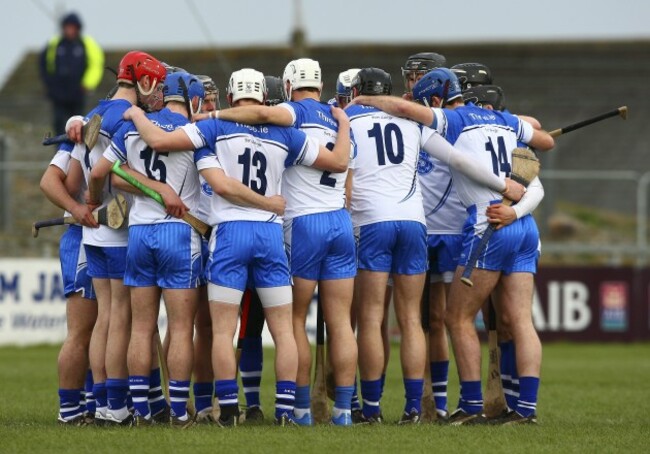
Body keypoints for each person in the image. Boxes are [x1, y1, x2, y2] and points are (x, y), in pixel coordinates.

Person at [123, 67, 351, 427]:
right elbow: (339, 162)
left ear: (229, 98)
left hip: (229, 235)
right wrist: (343, 123)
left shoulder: (213, 128)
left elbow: (162, 143)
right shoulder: (285, 133)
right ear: (265, 97)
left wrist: (136, 112)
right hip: (271, 236)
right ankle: (285, 412)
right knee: (284, 330)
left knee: (222, 330)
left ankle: (228, 409)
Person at [350, 68, 554, 425]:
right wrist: (516, 207)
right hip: (525, 226)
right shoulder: (506, 121)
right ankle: (527, 409)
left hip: (488, 223)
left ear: (434, 100)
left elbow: (412, 113)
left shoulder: (452, 118)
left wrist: (366, 100)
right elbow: (545, 143)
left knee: (456, 318)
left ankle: (472, 405)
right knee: (521, 320)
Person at [215, 58, 358, 426]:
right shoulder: (337, 117)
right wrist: (342, 119)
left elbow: (260, 118)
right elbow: (346, 171)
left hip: (301, 222)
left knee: (293, 322)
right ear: (321, 85)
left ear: (289, 85)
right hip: (340, 220)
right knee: (342, 322)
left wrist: (213, 116)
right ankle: (344, 411)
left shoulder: (289, 112)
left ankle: (300, 410)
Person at [64, 50, 167, 426]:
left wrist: (88, 205)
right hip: (122, 230)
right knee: (122, 318)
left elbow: (73, 180)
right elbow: (107, 176)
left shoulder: (92, 115)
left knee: (106, 318)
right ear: (142, 81)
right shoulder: (129, 121)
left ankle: (106, 402)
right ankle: (117, 405)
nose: (157, 92)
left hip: (93, 233)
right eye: (154, 82)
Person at [40, 141, 98, 425]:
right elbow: (48, 181)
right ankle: (70, 410)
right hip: (84, 239)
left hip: (115, 240)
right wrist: (75, 207)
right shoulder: (81, 130)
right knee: (82, 330)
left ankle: (94, 403)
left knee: (108, 327)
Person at [39, 12, 104, 135]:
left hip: (77, 94)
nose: (70, 30)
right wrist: (50, 86)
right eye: (68, 27)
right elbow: (44, 65)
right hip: (58, 94)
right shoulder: (54, 44)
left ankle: (76, 152)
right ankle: (59, 149)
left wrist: (87, 84)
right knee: (58, 123)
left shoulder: (86, 44)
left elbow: (96, 64)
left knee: (78, 124)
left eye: (73, 27)